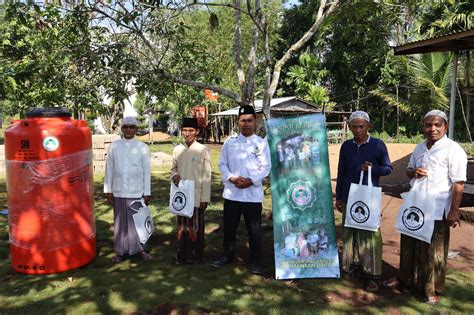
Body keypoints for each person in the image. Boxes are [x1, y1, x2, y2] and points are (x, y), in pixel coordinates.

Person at [385, 110, 467, 305]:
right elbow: (408, 171)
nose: (432, 129)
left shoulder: (453, 150)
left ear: (445, 126)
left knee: (433, 250)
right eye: (428, 125)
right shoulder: (420, 148)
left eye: (437, 125)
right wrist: (414, 173)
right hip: (415, 207)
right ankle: (405, 280)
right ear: (423, 127)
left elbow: (458, 183)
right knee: (409, 245)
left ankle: (430, 288)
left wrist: (454, 211)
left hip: (437, 210)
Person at [335, 110, 393, 291]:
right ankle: (351, 267)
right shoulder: (346, 146)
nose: (358, 130)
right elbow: (341, 172)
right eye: (354, 126)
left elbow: (388, 169)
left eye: (361, 126)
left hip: (368, 199)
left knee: (370, 233)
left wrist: (373, 169)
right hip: (348, 196)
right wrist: (339, 195)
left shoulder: (377, 145)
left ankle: (372, 275)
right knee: (350, 232)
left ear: (368, 126)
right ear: (350, 127)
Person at [212, 105, 271, 274]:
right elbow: (222, 163)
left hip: (252, 195)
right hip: (232, 193)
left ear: (255, 122)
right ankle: (227, 255)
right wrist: (232, 177)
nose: (246, 124)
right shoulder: (230, 143)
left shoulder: (261, 144)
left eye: (250, 120)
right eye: (243, 120)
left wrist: (251, 180)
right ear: (238, 122)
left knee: (254, 230)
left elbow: (266, 166)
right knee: (230, 227)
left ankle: (255, 261)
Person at [104, 116, 152, 263]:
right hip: (118, 190)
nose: (129, 129)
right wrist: (108, 190)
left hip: (136, 191)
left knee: (137, 222)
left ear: (136, 129)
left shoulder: (143, 147)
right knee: (119, 222)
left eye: (132, 127)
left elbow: (146, 171)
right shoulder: (114, 146)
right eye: (126, 127)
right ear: (122, 128)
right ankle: (120, 251)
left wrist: (147, 192)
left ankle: (140, 250)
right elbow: (109, 169)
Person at [171, 117, 212, 264]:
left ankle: (196, 256)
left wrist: (205, 198)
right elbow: (173, 168)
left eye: (191, 130)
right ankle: (182, 255)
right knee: (182, 226)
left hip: (196, 195)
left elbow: (207, 176)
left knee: (195, 226)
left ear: (197, 132)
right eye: (185, 130)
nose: (187, 133)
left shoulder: (203, 150)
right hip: (181, 195)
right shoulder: (177, 150)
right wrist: (174, 175)